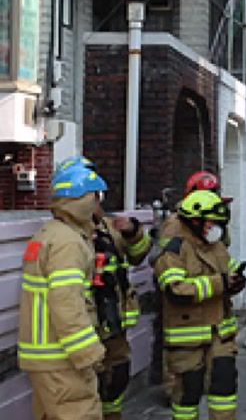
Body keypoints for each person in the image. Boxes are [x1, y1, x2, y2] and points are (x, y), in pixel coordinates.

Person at [53, 157, 154, 420]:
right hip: (88, 327)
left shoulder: (109, 226)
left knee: (117, 378)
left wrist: (133, 232)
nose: (97, 200)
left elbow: (138, 255)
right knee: (91, 386)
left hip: (113, 322)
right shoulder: (65, 234)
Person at [18, 159, 108, 420]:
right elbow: (67, 303)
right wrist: (89, 353)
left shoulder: (51, 234)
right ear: (86, 199)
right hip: (62, 358)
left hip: (46, 357)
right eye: (96, 196)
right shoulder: (68, 243)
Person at [155, 190, 246, 420]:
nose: (216, 228)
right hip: (188, 339)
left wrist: (235, 282)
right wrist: (220, 283)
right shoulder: (174, 251)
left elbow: (228, 274)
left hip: (220, 335)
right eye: (211, 222)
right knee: (187, 395)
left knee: (224, 388)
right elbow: (176, 291)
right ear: (195, 221)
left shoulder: (217, 248)